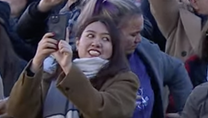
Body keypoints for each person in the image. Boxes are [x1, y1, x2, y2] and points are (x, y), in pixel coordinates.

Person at [79, 0, 193, 117]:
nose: (139, 39)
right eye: (133, 35)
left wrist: (185, 113)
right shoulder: (85, 65)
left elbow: (176, 69)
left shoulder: (146, 52)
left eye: (140, 33)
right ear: (112, 32)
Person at [6, 16, 139, 117]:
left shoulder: (125, 79)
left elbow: (104, 112)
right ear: (77, 42)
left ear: (113, 48)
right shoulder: (51, 75)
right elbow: (17, 113)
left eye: (106, 39)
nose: (96, 43)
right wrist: (36, 63)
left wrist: (68, 68)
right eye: (90, 36)